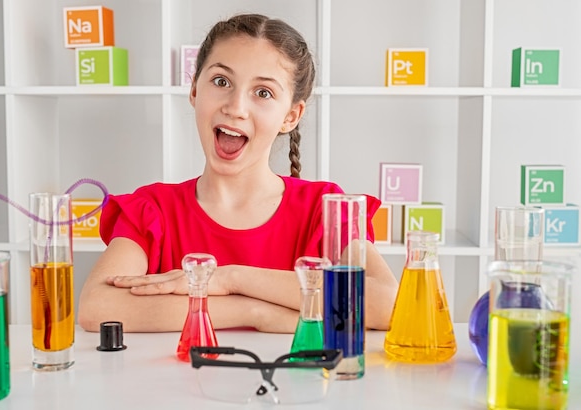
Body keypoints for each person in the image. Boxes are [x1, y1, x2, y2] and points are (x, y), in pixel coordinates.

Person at [78, 13, 398, 334]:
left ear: (290, 116)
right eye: (221, 82)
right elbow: (97, 307)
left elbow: (388, 304)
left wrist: (231, 278)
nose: (236, 107)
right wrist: (253, 311)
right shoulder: (153, 209)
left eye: (263, 93)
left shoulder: (324, 209)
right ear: (194, 91)